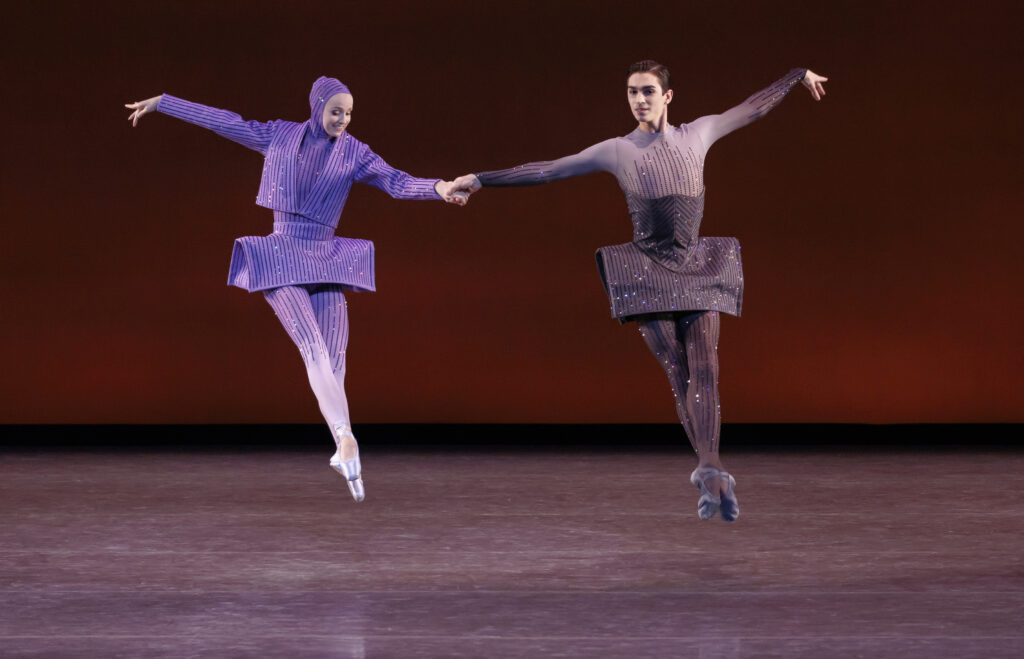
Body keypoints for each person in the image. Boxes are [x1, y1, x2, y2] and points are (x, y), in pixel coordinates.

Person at [452, 61, 828, 521]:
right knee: (678, 369)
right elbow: (549, 170)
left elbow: (750, 109)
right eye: (632, 92)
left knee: (705, 366)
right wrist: (482, 179)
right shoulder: (617, 150)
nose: (639, 100)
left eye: (648, 91)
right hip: (646, 270)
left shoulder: (700, 133)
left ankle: (711, 469)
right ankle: (710, 473)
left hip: (696, 265)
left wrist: (796, 76)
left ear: (668, 96)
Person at [126, 77, 468, 502]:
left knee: (336, 354)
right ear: (317, 107)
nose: (343, 120)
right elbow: (224, 122)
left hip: (326, 256)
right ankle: (345, 439)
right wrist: (164, 102)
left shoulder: (355, 153)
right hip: (282, 255)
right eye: (336, 111)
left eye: (349, 113)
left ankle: (344, 445)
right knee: (314, 349)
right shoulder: (279, 136)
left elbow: (396, 181)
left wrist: (441, 188)